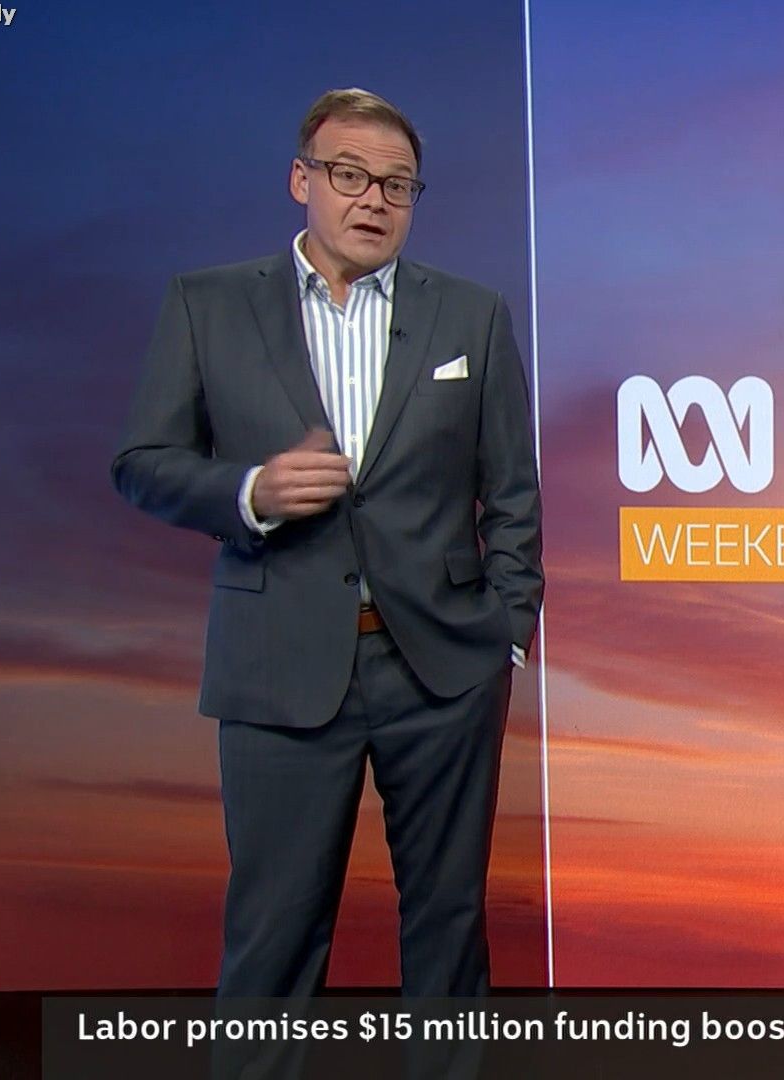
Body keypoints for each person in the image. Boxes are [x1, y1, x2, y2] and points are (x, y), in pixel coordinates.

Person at [111, 88, 542, 999]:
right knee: (273, 937)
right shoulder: (208, 305)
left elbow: (511, 491)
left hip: (443, 672)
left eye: (397, 184)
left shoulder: (472, 316)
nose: (374, 200)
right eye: (350, 175)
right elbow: (142, 463)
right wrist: (250, 493)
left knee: (449, 929)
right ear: (301, 180)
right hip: (277, 668)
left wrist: (506, 630)